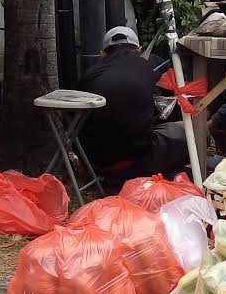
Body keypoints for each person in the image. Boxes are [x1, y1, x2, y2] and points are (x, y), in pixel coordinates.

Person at [79, 26, 189, 179]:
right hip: (136, 163)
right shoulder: (148, 65)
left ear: (102, 53)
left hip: (94, 163)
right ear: (138, 49)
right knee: (185, 131)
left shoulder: (89, 75)